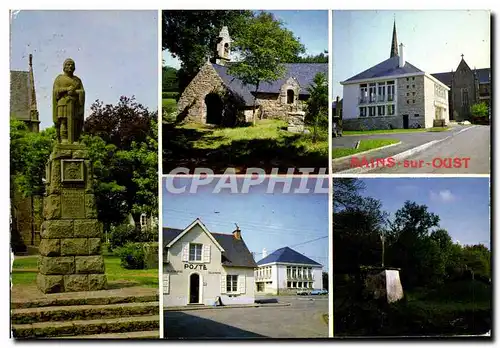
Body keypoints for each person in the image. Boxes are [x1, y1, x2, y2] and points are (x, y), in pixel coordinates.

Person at [52, 58, 85, 144]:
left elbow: (82, 92)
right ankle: (64, 139)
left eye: (72, 65)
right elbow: (55, 91)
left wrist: (75, 92)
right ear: (64, 67)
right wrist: (66, 89)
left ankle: (74, 140)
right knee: (64, 121)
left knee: (75, 121)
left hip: (75, 104)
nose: (70, 66)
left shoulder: (77, 80)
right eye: (68, 64)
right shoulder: (59, 79)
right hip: (63, 103)